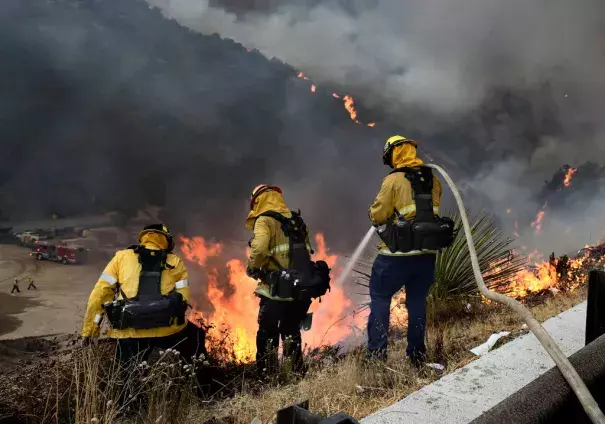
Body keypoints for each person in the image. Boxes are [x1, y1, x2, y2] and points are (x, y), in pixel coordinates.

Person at [367, 135, 442, 366]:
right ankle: (417, 356)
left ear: (393, 154)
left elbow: (379, 215)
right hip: (426, 255)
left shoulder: (394, 180)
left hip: (395, 257)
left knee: (380, 298)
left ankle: (376, 357)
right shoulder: (434, 179)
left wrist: (377, 217)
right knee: (417, 303)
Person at [81, 224, 190, 368]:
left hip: (128, 332)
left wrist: (91, 329)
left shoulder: (121, 257)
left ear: (143, 238)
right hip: (167, 332)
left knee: (128, 381)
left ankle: (128, 390)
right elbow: (183, 301)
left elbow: (100, 293)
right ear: (167, 241)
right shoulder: (175, 261)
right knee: (195, 339)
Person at [245, 185, 316, 374]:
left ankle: (266, 376)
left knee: (268, 334)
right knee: (292, 332)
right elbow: (307, 250)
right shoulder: (295, 220)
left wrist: (252, 267)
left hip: (274, 292)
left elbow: (259, 249)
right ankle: (296, 373)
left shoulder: (265, 220)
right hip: (298, 290)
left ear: (257, 201)